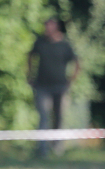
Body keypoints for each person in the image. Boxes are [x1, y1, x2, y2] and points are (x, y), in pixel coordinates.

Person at [27, 18, 80, 157]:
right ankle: (42, 149)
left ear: (56, 28)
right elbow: (30, 56)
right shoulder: (40, 42)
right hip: (42, 86)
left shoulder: (64, 45)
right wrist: (29, 74)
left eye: (49, 26)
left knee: (59, 117)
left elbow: (76, 62)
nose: (46, 29)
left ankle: (57, 148)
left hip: (60, 87)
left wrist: (71, 80)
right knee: (43, 117)